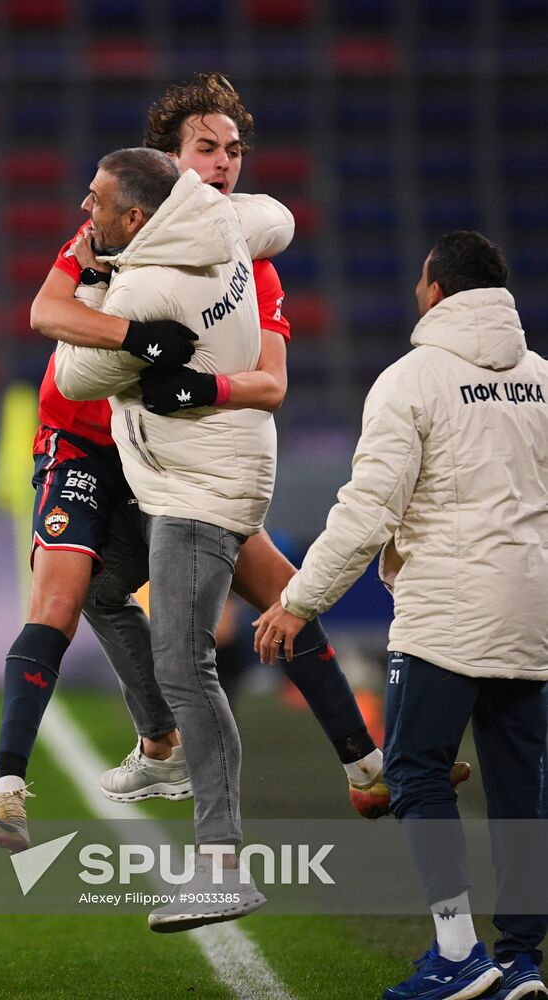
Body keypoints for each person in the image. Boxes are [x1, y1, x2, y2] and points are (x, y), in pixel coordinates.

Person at [0, 72, 391, 863]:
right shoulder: (109, 230)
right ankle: (25, 782)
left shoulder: (248, 259)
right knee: (69, 591)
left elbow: (270, 381)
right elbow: (45, 313)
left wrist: (205, 384)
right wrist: (137, 341)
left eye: (235, 150)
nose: (226, 163)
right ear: (166, 163)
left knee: (281, 591)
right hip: (89, 443)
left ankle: (364, 765)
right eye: (207, 147)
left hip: (174, 460)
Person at [254, 231, 548, 1000]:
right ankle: (520, 958)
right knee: (521, 787)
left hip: (447, 613)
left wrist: (298, 599)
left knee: (415, 771)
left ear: (435, 290)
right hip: (530, 612)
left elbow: (366, 513)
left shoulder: (410, 381)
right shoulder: (543, 380)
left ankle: (457, 954)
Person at [54, 144, 294, 929]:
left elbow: (71, 378)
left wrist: (97, 286)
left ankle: (221, 863)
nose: (81, 213)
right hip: (193, 472)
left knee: (186, 663)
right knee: (96, 582)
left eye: (94, 201)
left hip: (201, 487)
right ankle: (161, 741)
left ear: (133, 217)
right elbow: (279, 220)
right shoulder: (224, 220)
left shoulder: (150, 285)